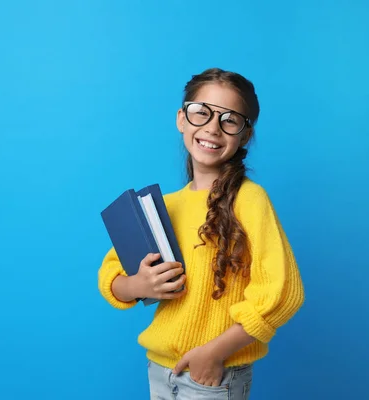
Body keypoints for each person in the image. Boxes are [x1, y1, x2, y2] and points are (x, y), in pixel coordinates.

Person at [97, 67, 305, 399]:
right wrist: (137, 285)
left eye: (229, 119)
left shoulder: (249, 200)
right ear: (182, 119)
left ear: (245, 134)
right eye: (201, 113)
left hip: (211, 374)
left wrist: (215, 352)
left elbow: (283, 293)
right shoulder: (163, 205)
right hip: (160, 369)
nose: (212, 128)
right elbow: (112, 274)